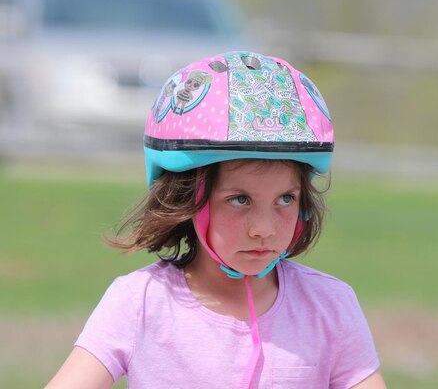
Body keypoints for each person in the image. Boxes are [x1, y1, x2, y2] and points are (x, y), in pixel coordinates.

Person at [46, 51, 386, 389]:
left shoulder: (329, 305)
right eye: (239, 200)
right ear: (187, 198)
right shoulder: (140, 302)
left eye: (285, 199)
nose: (264, 229)